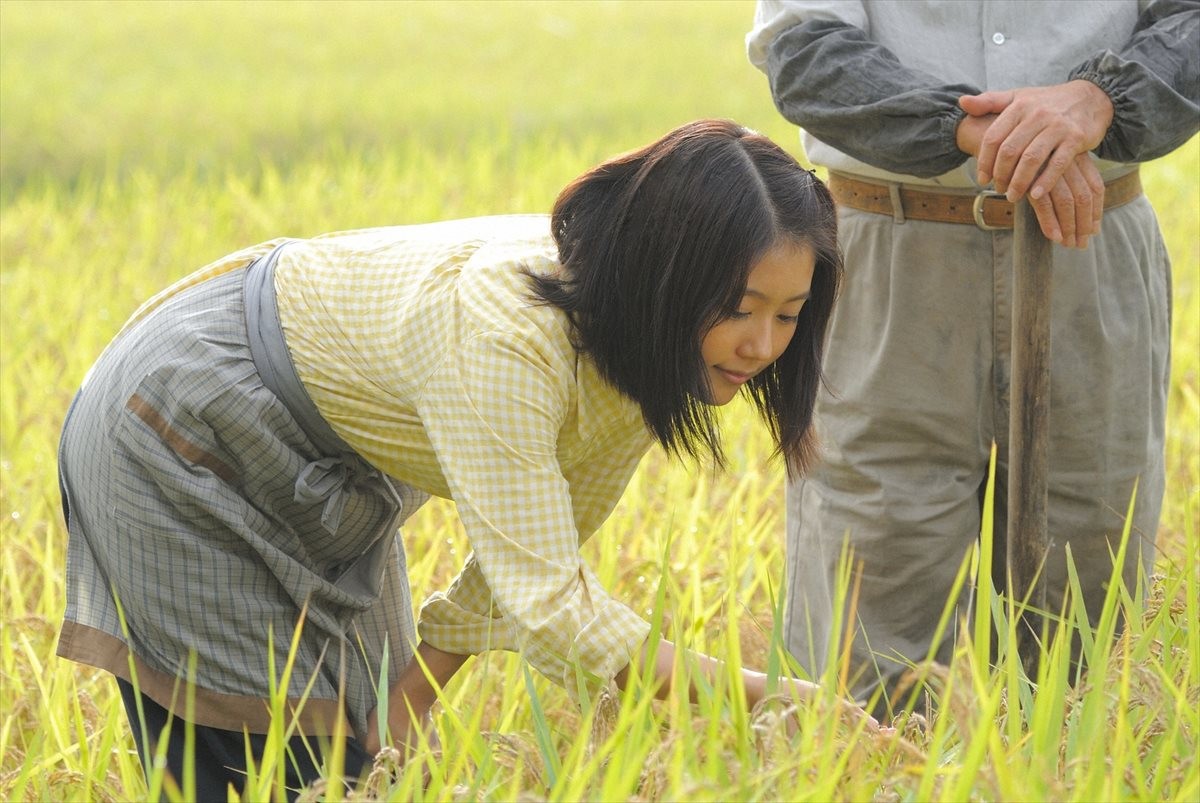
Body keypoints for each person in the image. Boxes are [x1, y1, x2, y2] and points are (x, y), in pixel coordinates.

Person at [56, 119, 868, 801]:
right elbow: (552, 605)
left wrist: (412, 697)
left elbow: (530, 551)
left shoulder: (650, 349)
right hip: (181, 432)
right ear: (664, 279)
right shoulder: (510, 334)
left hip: (325, 471)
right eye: (737, 309)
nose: (762, 346)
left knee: (356, 757)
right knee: (263, 766)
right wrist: (763, 694)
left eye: (789, 315)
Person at [747, 0, 1199, 717]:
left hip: (1091, 241)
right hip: (889, 255)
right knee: (869, 602)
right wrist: (1005, 136)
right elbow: (805, 54)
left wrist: (1095, 101)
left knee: (1086, 603)